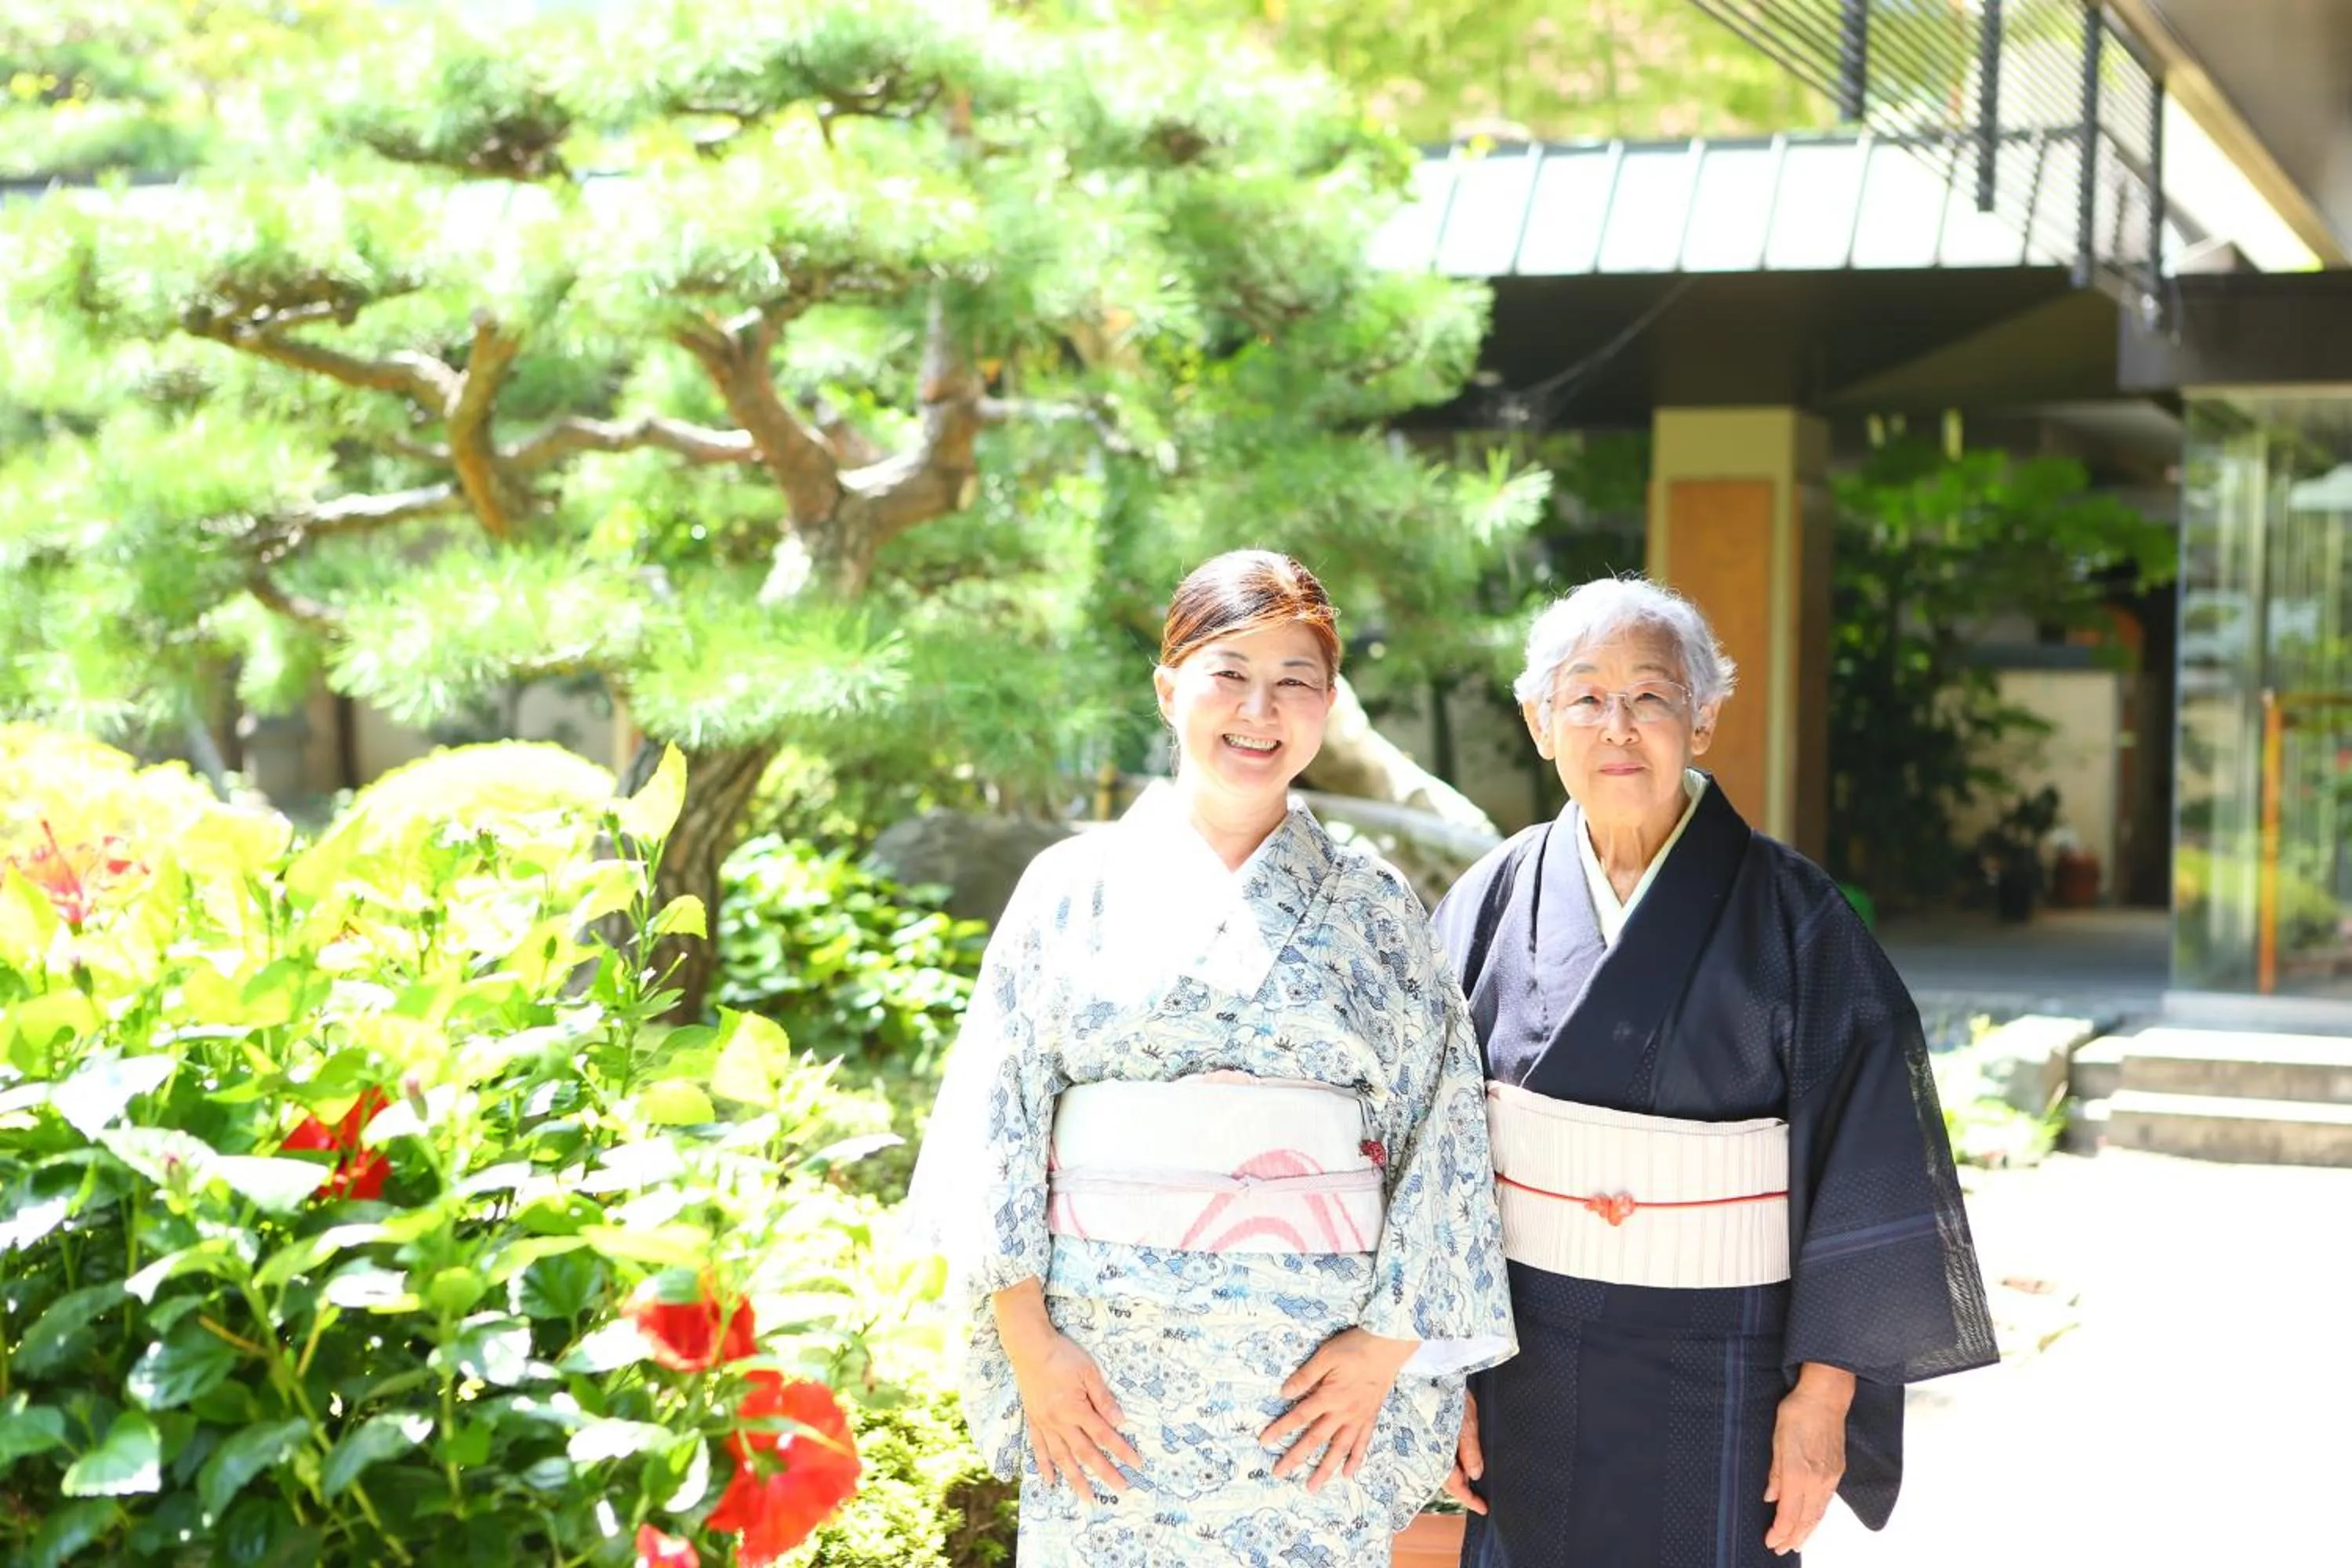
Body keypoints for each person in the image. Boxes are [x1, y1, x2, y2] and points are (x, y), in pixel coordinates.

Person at [906, 549, 1515, 1566]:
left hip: (1317, 1394)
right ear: (1167, 688)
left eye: (1295, 682)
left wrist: (1383, 1352)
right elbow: (995, 1121)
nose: (1259, 711)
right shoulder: (1069, 887)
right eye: (1229, 673)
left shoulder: (1374, 905)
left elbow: (1444, 1130)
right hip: (1099, 1384)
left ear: (1329, 706)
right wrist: (1032, 1349)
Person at [1432, 577, 1996, 1567]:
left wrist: (1825, 1392)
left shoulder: (1794, 916)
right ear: (1539, 722)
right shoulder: (1491, 900)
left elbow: (1871, 1160)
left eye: (1651, 695)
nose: (1619, 726)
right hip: (1524, 1363)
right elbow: (1425, 1149)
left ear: (1703, 718)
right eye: (1586, 697)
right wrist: (1440, 1371)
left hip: (1725, 1366)